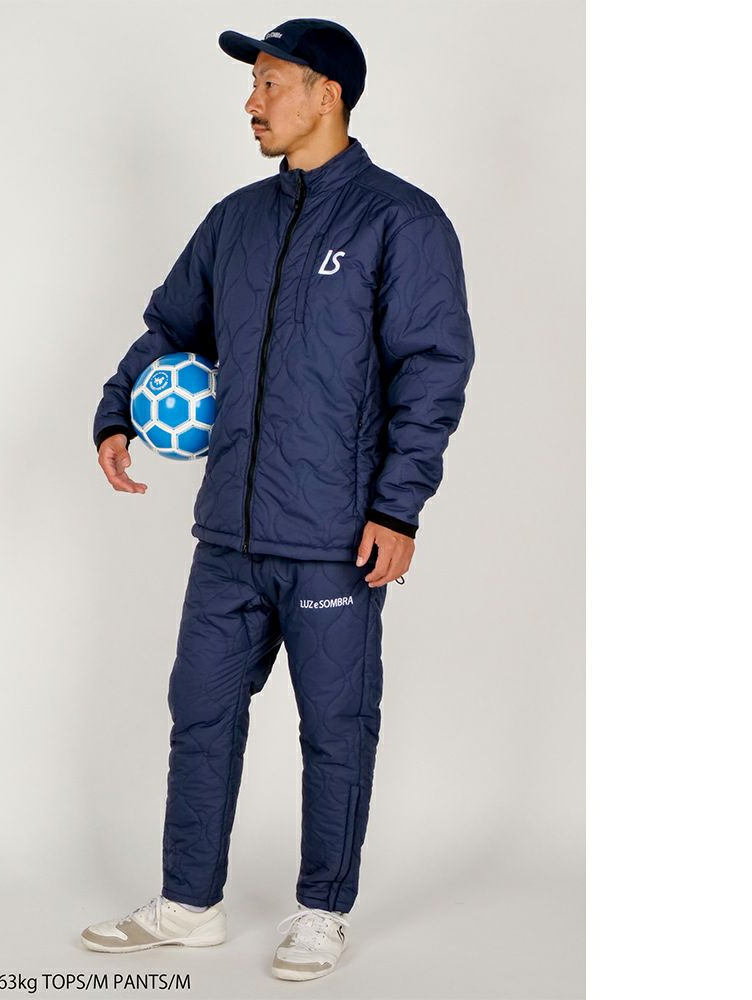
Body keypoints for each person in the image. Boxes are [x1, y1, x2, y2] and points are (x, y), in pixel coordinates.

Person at [82, 17, 475, 982]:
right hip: (229, 534)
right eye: (253, 83)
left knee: (335, 728)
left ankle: (322, 910)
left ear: (326, 94)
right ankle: (188, 903)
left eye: (269, 82)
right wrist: (117, 408)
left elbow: (432, 371)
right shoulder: (235, 222)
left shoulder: (401, 220)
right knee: (200, 715)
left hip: (336, 537)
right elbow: (172, 327)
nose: (251, 102)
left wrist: (398, 509)